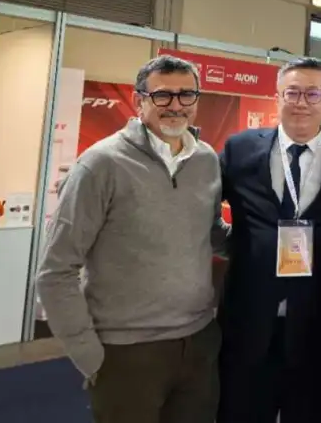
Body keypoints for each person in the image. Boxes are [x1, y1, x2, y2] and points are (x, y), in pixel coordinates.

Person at [37, 55, 224, 423]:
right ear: (139, 100)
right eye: (162, 95)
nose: (175, 105)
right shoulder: (101, 164)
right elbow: (55, 271)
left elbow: (212, 233)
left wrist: (269, 241)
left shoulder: (206, 160)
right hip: (126, 352)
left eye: (186, 95)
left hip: (199, 343)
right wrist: (88, 353)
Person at [218, 56, 321, 423]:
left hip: (319, 330)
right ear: (277, 97)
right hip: (248, 326)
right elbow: (200, 206)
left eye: (313, 93)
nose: (301, 102)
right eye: (292, 92)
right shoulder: (239, 150)